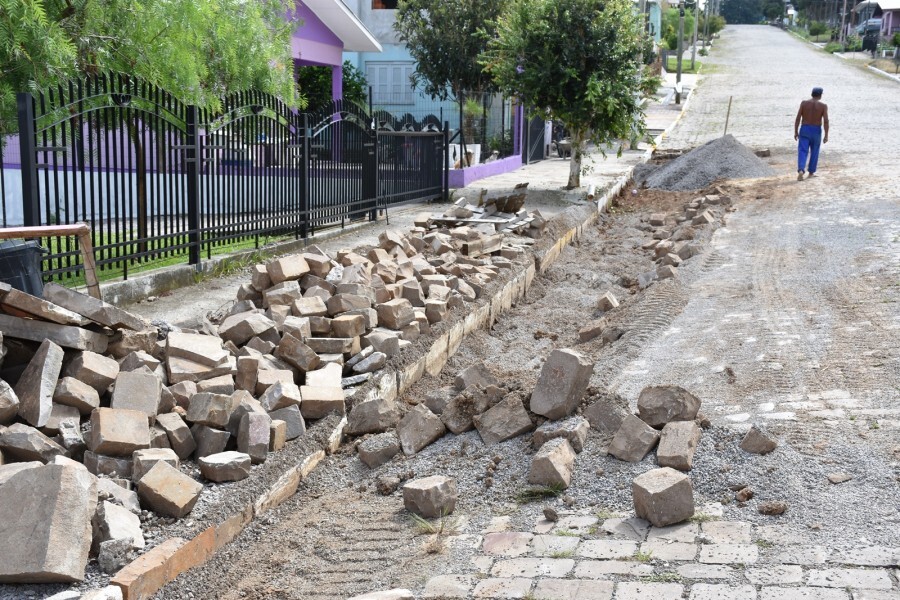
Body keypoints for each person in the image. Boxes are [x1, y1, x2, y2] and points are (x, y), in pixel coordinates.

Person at [794, 87, 829, 180]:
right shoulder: (823, 106)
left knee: (802, 150)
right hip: (816, 130)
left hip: (805, 128)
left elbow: (798, 118)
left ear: (812, 94)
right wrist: (826, 135)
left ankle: (801, 170)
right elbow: (826, 121)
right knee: (815, 151)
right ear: (820, 95)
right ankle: (811, 172)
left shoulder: (804, 103)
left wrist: (796, 131)